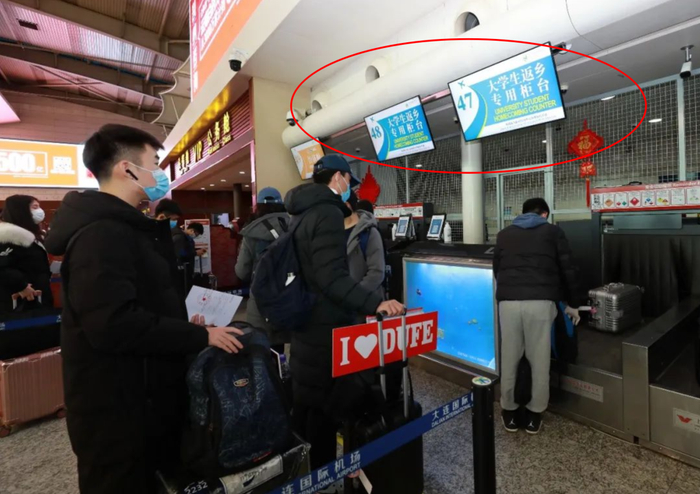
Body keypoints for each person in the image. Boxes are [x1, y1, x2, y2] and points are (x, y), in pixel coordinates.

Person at [44, 124, 244, 494]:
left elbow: (136, 302)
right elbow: (113, 324)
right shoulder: (101, 234)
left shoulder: (127, 228)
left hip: (144, 402)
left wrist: (181, 323)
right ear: (127, 169)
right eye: (154, 162)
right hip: (118, 413)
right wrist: (199, 336)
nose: (160, 173)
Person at [284, 154, 404, 469]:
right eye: (349, 180)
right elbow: (331, 277)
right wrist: (373, 303)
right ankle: (321, 476)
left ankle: (304, 473)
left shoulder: (300, 213)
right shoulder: (326, 212)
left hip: (305, 325)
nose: (350, 187)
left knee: (306, 410)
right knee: (323, 414)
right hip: (325, 329)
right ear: (338, 178)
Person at [493, 198, 580, 435]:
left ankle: (509, 411)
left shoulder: (504, 234)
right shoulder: (553, 232)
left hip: (509, 304)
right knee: (539, 359)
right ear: (544, 214)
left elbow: (497, 270)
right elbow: (568, 270)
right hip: (540, 303)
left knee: (510, 357)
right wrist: (573, 303)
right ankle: (534, 414)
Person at [235, 187, 289, 353]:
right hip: (290, 297)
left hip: (260, 304)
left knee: (262, 352)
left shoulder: (251, 232)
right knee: (282, 349)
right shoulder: (294, 225)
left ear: (257, 206)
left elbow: (242, 271)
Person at [0, 195, 53, 314]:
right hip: (17, 302)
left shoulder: (33, 235)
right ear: (21, 210)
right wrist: (22, 286)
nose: (40, 211)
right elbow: (3, 267)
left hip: (37, 297)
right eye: (35, 207)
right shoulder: (7, 237)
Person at [344, 191, 385, 314]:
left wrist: (354, 296)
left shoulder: (368, 232)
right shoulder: (332, 232)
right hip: (341, 308)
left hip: (365, 306)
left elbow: (376, 272)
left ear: (347, 206)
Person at [155, 199, 196, 295]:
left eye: (176, 220)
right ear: (162, 216)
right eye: (173, 219)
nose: (175, 222)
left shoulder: (169, 233)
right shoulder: (148, 234)